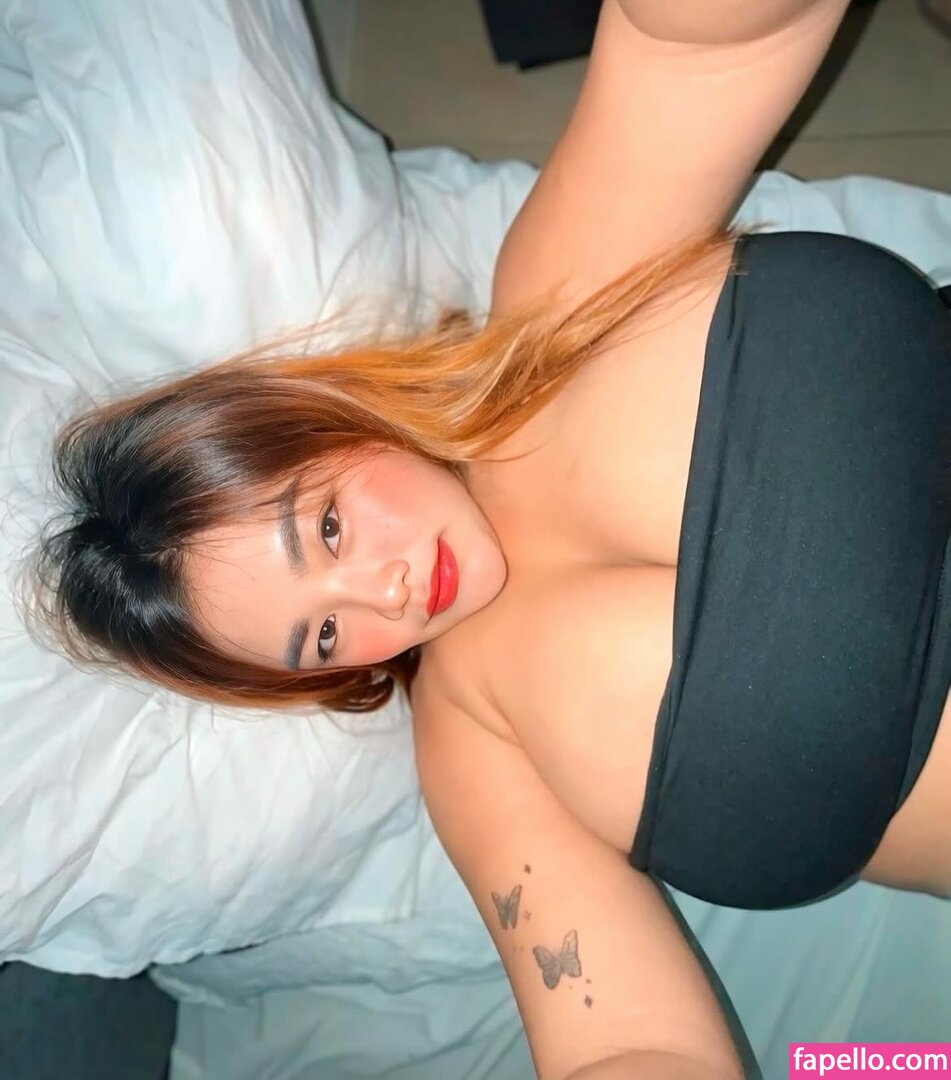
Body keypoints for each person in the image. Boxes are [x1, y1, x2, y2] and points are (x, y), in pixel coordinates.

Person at [30, 1, 951, 1077]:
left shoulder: (559, 299)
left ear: (324, 425)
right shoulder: (474, 750)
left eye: (325, 527)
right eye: (322, 636)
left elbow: (698, 46)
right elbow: (626, 1041)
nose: (385, 595)